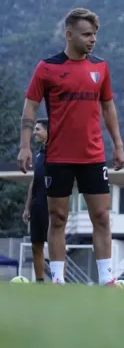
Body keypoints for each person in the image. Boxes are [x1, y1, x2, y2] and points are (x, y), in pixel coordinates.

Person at [17, 8, 124, 286]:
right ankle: (57, 281)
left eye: (95, 34)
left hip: (92, 156)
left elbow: (108, 107)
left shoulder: (100, 67)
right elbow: (30, 106)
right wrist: (25, 145)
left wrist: (118, 144)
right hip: (58, 157)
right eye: (86, 34)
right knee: (58, 218)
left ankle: (107, 281)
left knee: (101, 216)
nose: (93, 40)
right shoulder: (47, 68)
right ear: (69, 35)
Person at [21, 120, 50, 282]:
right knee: (36, 245)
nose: (34, 132)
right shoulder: (38, 154)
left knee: (55, 246)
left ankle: (60, 281)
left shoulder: (57, 152)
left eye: (38, 129)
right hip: (37, 205)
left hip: (51, 205)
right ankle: (39, 283)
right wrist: (27, 207)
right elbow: (34, 180)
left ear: (47, 131)